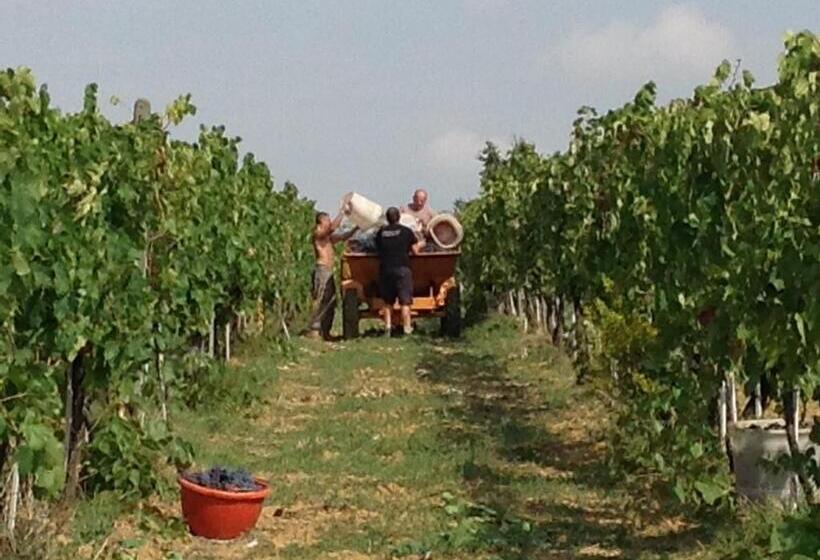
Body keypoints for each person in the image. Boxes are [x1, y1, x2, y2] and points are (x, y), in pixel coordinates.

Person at [308, 201, 357, 340]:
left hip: (328, 271)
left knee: (330, 300)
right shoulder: (318, 233)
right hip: (322, 270)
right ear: (321, 221)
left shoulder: (328, 237)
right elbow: (333, 228)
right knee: (320, 298)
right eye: (328, 220)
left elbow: (342, 237)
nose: (330, 222)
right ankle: (315, 329)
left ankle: (325, 331)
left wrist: (356, 229)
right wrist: (342, 212)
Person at [375, 207, 425, 335]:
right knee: (405, 301)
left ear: (387, 219)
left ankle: (387, 328)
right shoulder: (406, 231)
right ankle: (407, 329)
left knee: (387, 301)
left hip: (386, 270)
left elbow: (377, 249)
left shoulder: (381, 232)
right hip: (402, 269)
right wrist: (422, 243)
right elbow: (415, 251)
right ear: (399, 217)